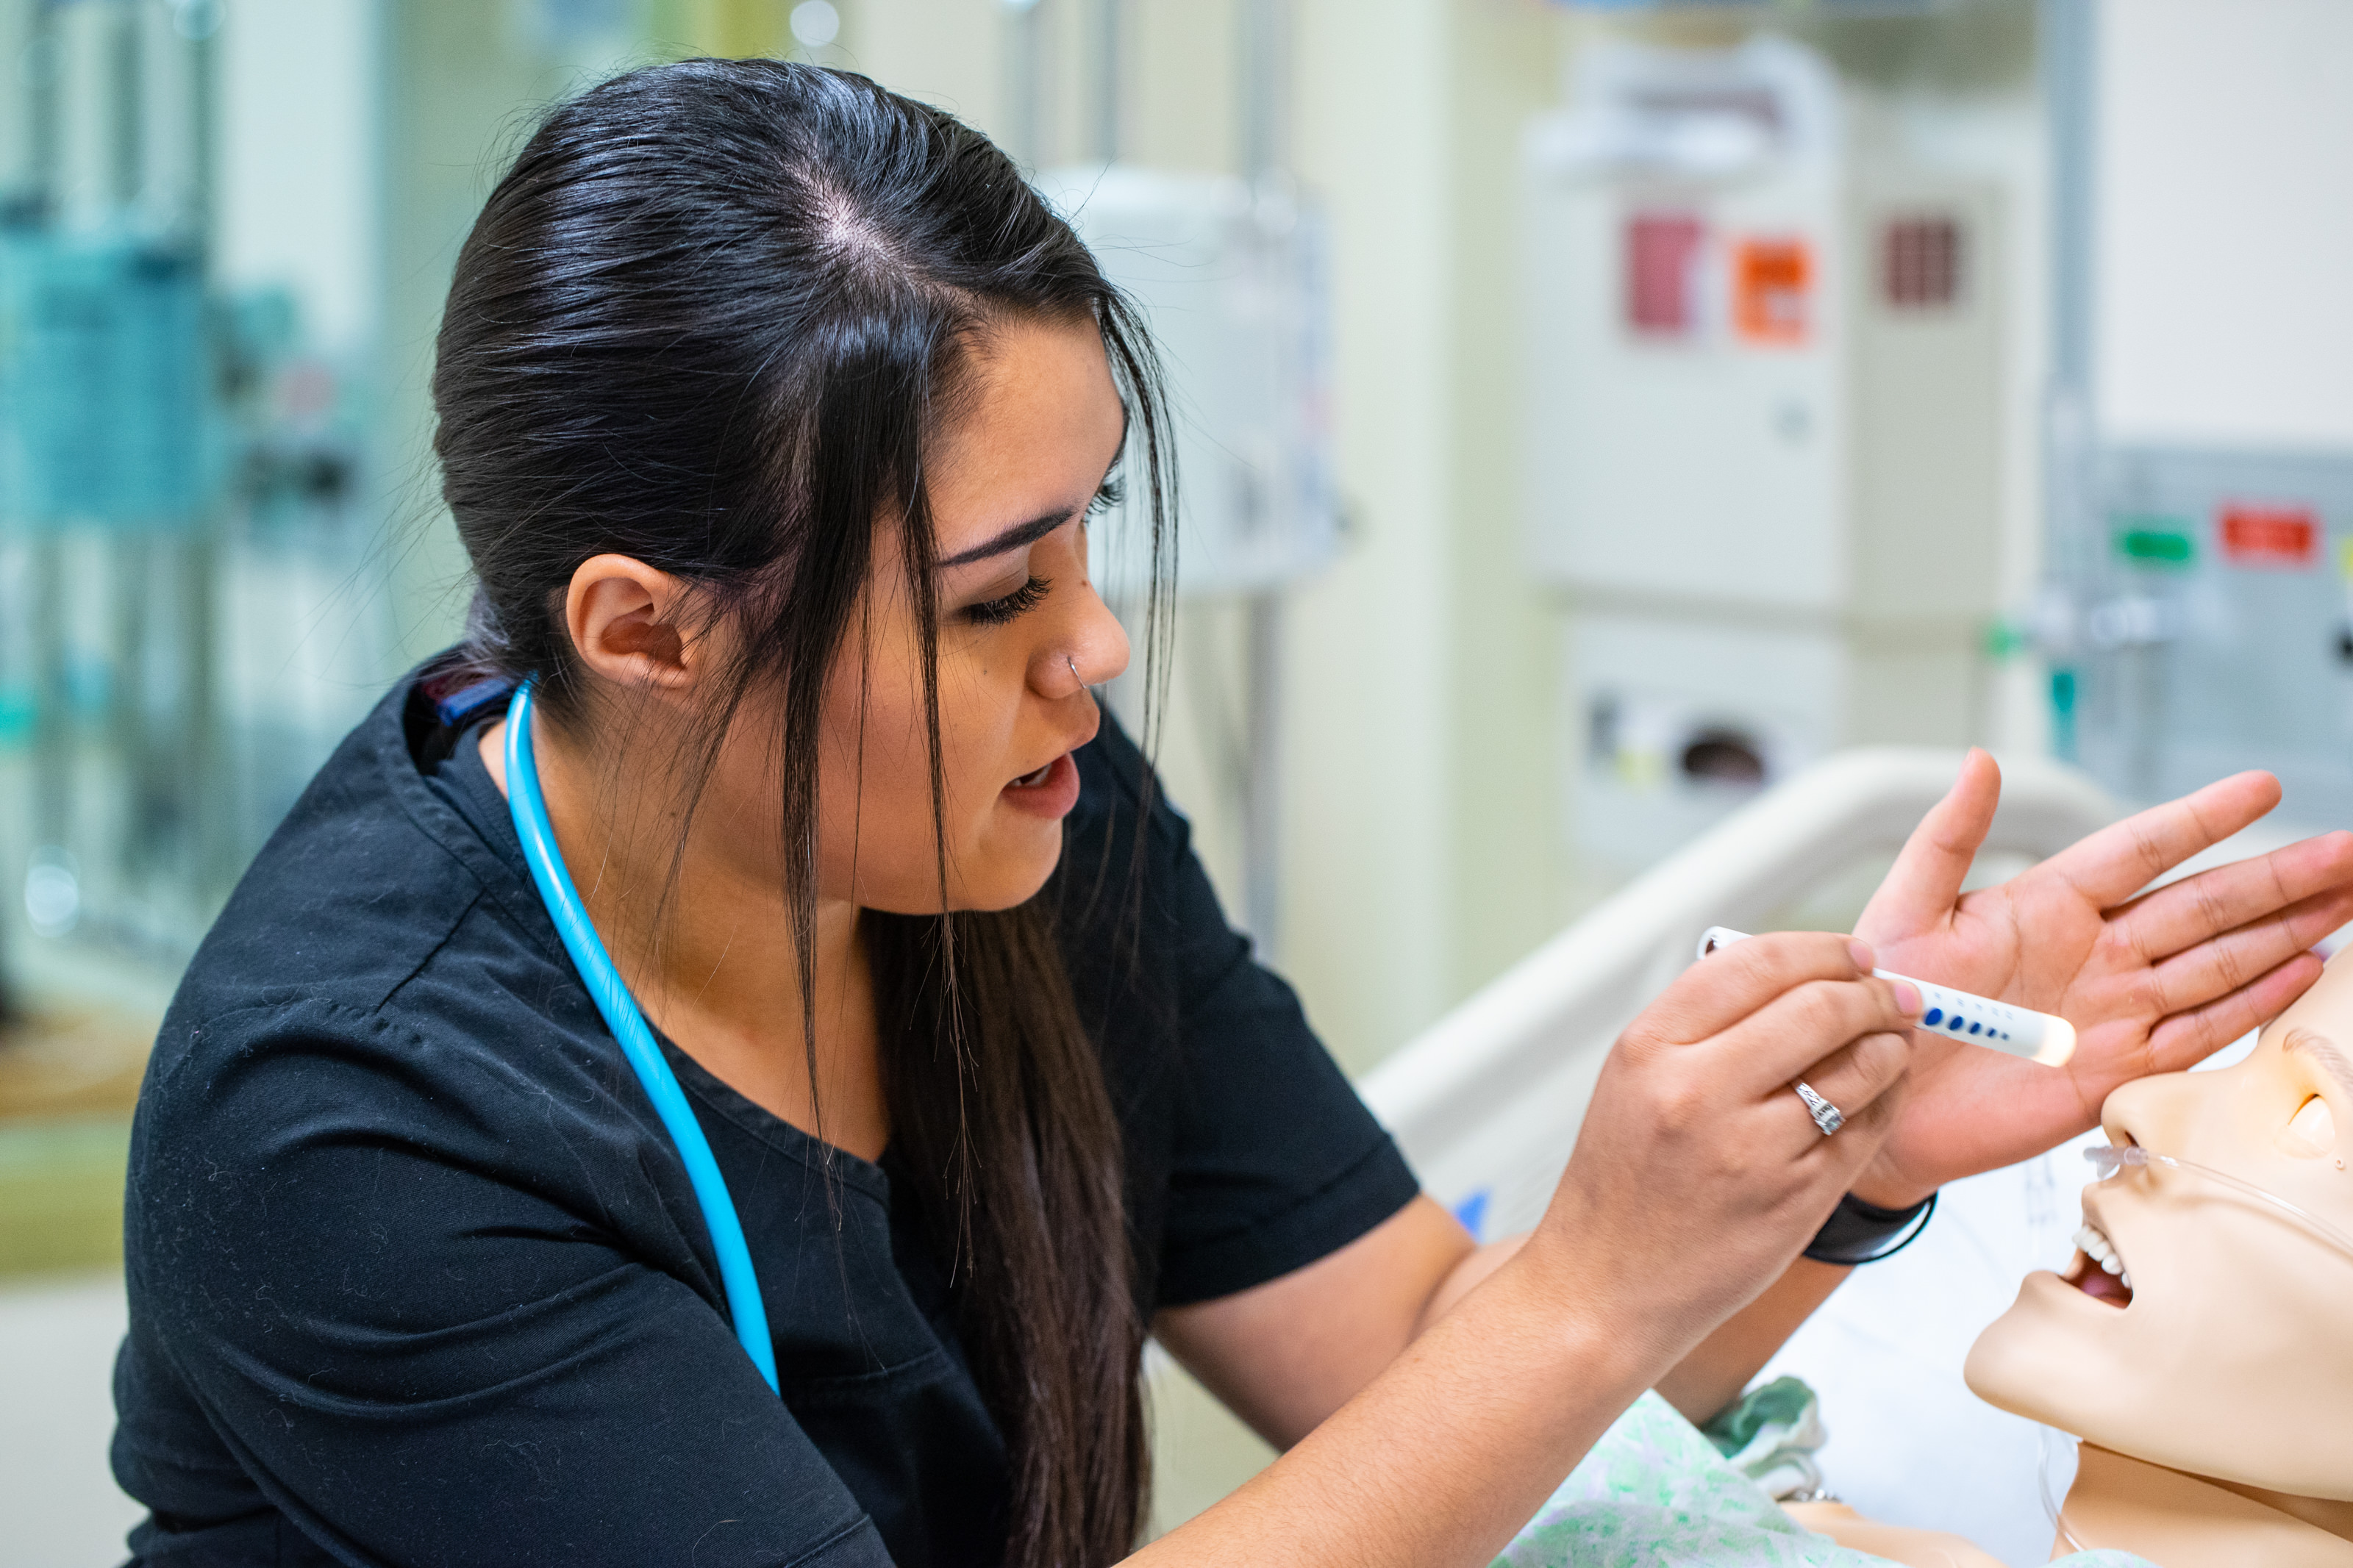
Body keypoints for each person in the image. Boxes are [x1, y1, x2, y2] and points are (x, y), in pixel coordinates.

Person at [108, 58, 2353, 1568]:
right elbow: (1519, 1348)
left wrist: (1821, 1169)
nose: (1090, 650)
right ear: (651, 631)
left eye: (1090, 541)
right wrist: (1585, 1278)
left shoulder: (1022, 820)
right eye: (998, 595)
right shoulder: (349, 1127)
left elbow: (1409, 1376)